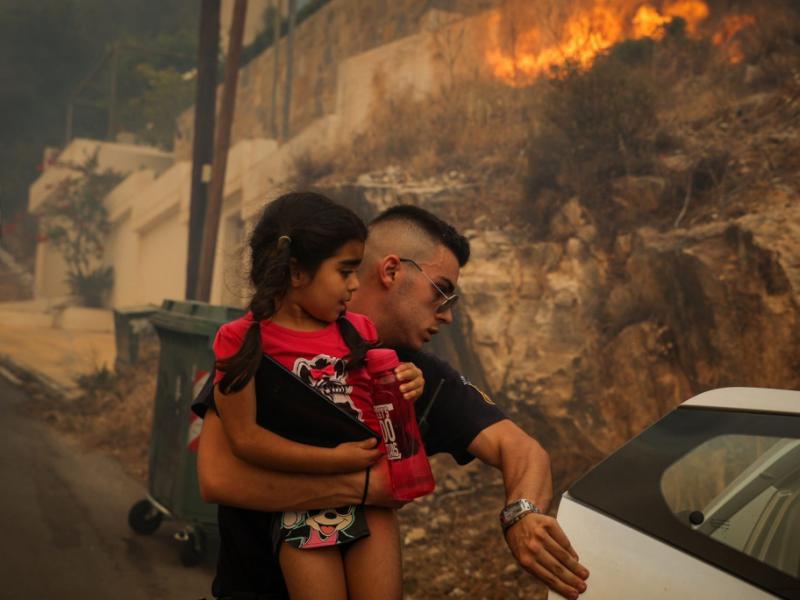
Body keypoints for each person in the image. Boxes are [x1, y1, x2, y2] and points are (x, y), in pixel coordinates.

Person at [195, 205, 590, 600]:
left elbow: (522, 449)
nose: (448, 315)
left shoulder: (416, 375)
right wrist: (366, 486)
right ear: (391, 271)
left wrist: (522, 515)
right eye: (442, 290)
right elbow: (217, 477)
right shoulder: (273, 344)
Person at [205, 192, 428, 600]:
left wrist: (409, 382)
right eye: (344, 271)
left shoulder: (359, 329)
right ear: (295, 272)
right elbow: (246, 440)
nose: (355, 285)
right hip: (305, 505)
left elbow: (379, 404)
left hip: (372, 506)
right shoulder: (241, 342)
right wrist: (334, 461)